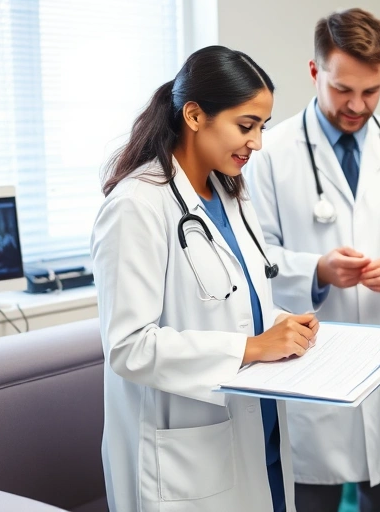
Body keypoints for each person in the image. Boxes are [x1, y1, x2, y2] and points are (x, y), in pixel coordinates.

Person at [246, 8, 380, 512]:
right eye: (343, 89)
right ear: (315, 71)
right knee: (312, 496)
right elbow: (254, 257)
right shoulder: (270, 154)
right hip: (310, 361)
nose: (357, 105)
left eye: (371, 91)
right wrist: (316, 270)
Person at [92, 45, 317, 512]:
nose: (257, 143)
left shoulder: (229, 192)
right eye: (246, 125)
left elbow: (234, 302)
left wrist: (282, 325)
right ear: (194, 115)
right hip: (185, 458)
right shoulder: (137, 205)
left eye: (262, 128)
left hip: (260, 433)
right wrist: (253, 347)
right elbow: (129, 347)